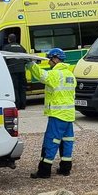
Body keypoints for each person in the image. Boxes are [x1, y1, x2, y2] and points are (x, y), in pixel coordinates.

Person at [26, 47, 76, 178]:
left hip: (57, 115)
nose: (48, 62)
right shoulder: (70, 74)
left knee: (51, 141)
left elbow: (42, 76)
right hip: (69, 114)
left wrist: (31, 64)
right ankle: (65, 168)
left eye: (49, 59)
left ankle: (44, 171)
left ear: (55, 59)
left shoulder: (56, 74)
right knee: (67, 140)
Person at [0, 33, 28, 110]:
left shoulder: (6, 48)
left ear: (9, 39)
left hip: (12, 71)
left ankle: (17, 105)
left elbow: (4, 60)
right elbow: (26, 58)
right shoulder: (21, 47)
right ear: (15, 39)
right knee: (22, 88)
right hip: (22, 71)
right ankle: (23, 105)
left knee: (15, 88)